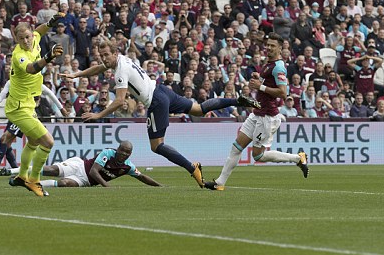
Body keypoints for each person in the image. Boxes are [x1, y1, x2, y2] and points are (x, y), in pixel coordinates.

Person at [60, 40, 261, 188]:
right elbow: (99, 68)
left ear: (115, 53)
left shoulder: (120, 71)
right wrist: (77, 74)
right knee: (199, 109)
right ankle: (238, 99)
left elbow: (120, 100)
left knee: (157, 146)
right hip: (163, 90)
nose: (104, 59)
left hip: (155, 101)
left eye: (106, 55)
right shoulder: (121, 59)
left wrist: (98, 115)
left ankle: (192, 168)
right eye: (101, 55)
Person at [205, 33, 309, 191]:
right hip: (257, 113)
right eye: (268, 44)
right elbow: (267, 83)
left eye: (273, 45)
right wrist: (258, 79)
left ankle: (297, 158)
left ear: (281, 48)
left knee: (258, 156)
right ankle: (220, 183)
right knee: (236, 147)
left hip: (267, 117)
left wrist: (259, 86)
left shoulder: (279, 67)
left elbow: (282, 93)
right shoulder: (269, 63)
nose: (268, 47)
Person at [6, 13, 65, 197]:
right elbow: (32, 69)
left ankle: (21, 176)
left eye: (28, 36)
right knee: (48, 141)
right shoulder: (19, 55)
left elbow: (39, 31)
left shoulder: (35, 38)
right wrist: (48, 57)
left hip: (28, 104)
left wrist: (50, 23)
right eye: (21, 38)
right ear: (16, 39)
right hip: (18, 108)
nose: (26, 41)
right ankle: (34, 180)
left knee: (32, 142)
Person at [0, 80, 67, 179]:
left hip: (25, 116)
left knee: (5, 139)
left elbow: (50, 93)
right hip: (14, 115)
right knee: (6, 143)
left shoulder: (32, 81)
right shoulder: (11, 82)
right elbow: (0, 97)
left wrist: (61, 108)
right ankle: (16, 171)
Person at [6, 141, 162, 188]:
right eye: (122, 150)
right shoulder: (108, 153)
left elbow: (142, 177)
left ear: (130, 154)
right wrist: (107, 186)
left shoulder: (127, 166)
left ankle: (27, 183)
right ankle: (12, 170)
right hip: (80, 166)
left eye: (127, 152)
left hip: (85, 181)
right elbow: (94, 171)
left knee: (65, 183)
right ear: (118, 149)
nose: (124, 154)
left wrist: (159, 186)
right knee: (51, 170)